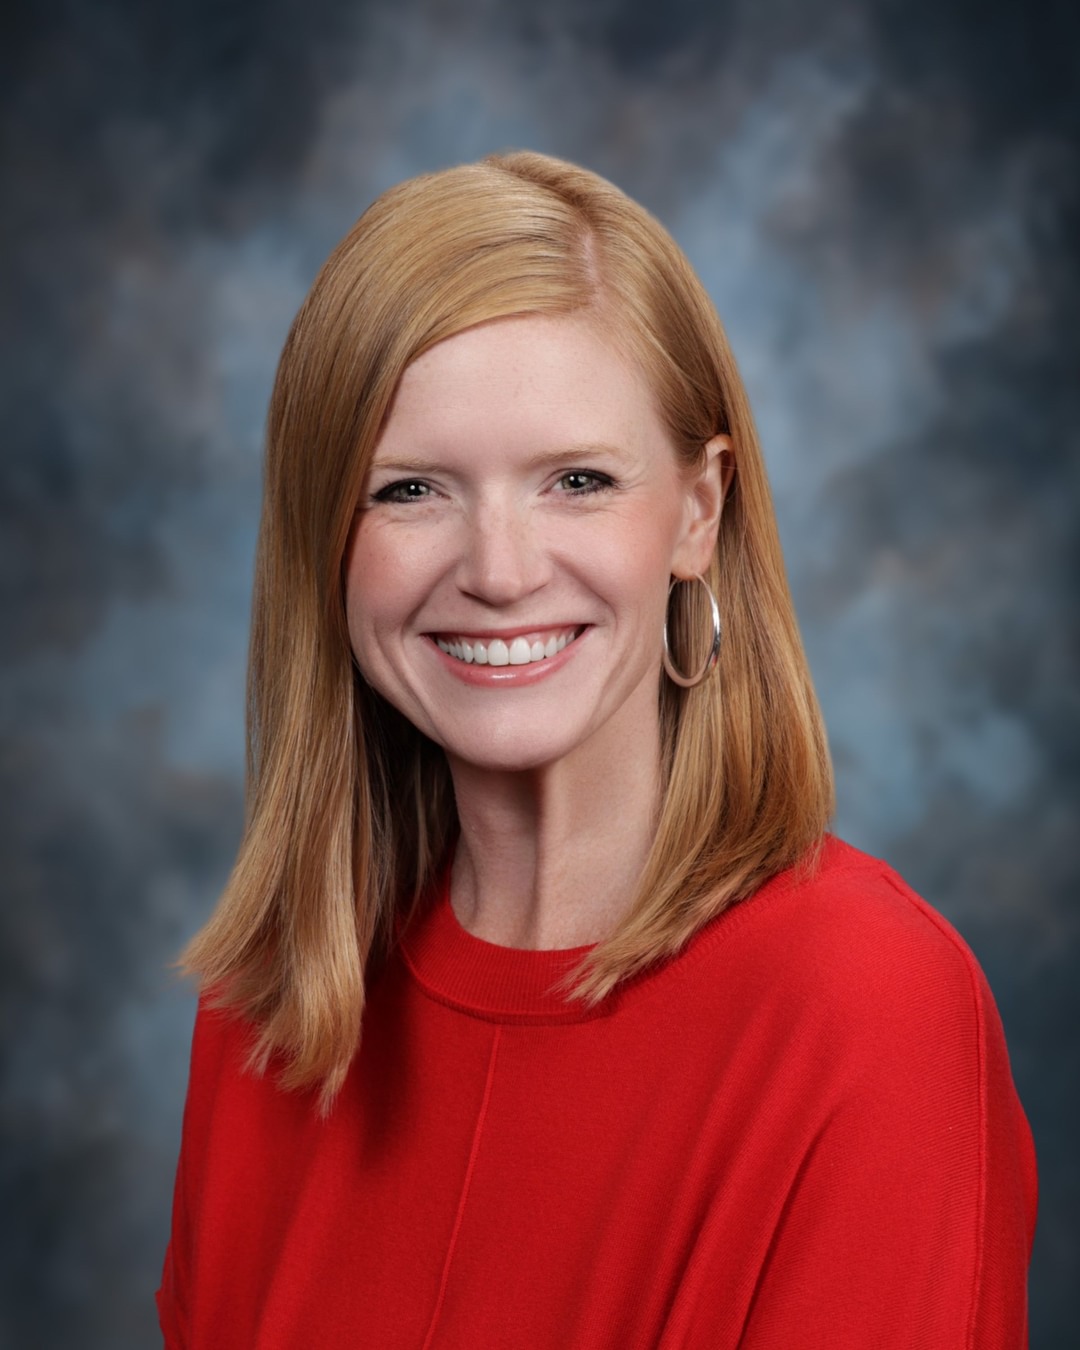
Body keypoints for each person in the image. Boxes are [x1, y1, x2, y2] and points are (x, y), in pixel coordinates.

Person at [156, 151, 1037, 1348]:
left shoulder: (870, 1012)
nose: (501, 570)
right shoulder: (267, 1012)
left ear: (697, 512)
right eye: (411, 490)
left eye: (577, 480)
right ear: (325, 536)